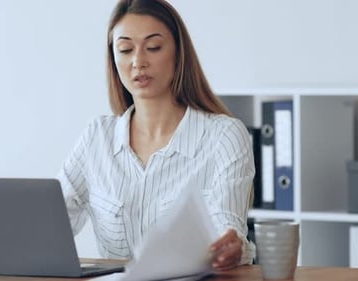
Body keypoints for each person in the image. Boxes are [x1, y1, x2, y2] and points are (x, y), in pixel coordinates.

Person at [57, 0, 255, 271]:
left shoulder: (224, 136)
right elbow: (50, 224)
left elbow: (228, 227)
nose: (138, 62)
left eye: (153, 47)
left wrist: (231, 247)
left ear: (178, 53)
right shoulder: (97, 137)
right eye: (125, 50)